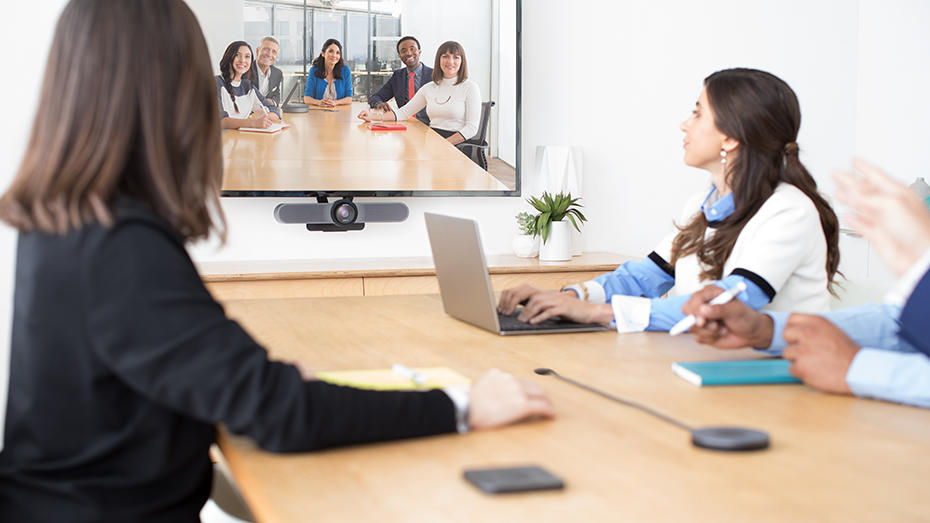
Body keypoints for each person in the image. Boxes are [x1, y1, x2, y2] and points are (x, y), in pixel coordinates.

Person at [0, 1, 555, 520]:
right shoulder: (117, 245)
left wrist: (256, 377)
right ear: (167, 91)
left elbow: (197, 369)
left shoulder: (66, 218)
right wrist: (460, 406)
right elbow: (278, 412)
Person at [497, 68, 841, 333]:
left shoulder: (788, 211)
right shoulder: (701, 205)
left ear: (731, 137)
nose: (684, 125)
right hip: (706, 360)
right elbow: (641, 278)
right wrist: (569, 297)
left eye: (697, 114)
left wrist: (599, 313)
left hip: (778, 377)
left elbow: (727, 305)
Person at [682, 159, 930, 408]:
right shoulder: (702, 204)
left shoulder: (789, 206)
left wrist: (857, 367)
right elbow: (897, 324)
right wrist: (767, 330)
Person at [357, 41, 481, 146]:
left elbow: (471, 128)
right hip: (432, 140)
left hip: (456, 144)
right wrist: (372, 117)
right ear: (439, 60)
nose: (450, 61)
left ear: (462, 61)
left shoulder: (470, 87)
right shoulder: (429, 88)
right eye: (445, 56)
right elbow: (403, 113)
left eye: (456, 57)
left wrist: (444, 144)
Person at [216, 40, 281, 129]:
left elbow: (273, 109)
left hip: (241, 138)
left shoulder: (248, 87)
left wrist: (267, 118)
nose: (242, 60)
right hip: (221, 139)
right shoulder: (216, 83)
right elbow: (220, 121)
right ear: (228, 57)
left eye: (247, 57)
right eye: (237, 55)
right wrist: (254, 123)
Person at [368, 35, 432, 124]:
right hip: (404, 124)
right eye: (403, 51)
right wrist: (378, 104)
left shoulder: (434, 75)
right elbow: (375, 97)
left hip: (429, 126)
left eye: (412, 49)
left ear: (419, 52)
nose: (409, 53)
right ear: (400, 56)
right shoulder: (398, 76)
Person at [303, 38, 353, 107]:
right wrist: (318, 102)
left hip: (339, 113)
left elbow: (349, 99)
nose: (334, 55)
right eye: (331, 51)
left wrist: (335, 103)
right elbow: (307, 98)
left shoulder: (345, 71)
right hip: (318, 113)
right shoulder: (314, 71)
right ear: (323, 53)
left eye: (337, 53)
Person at [253, 36, 283, 106]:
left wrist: (272, 101)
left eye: (274, 52)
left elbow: (276, 95)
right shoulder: (245, 70)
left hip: (265, 113)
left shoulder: (277, 73)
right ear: (257, 51)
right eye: (266, 49)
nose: (269, 54)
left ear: (276, 56)